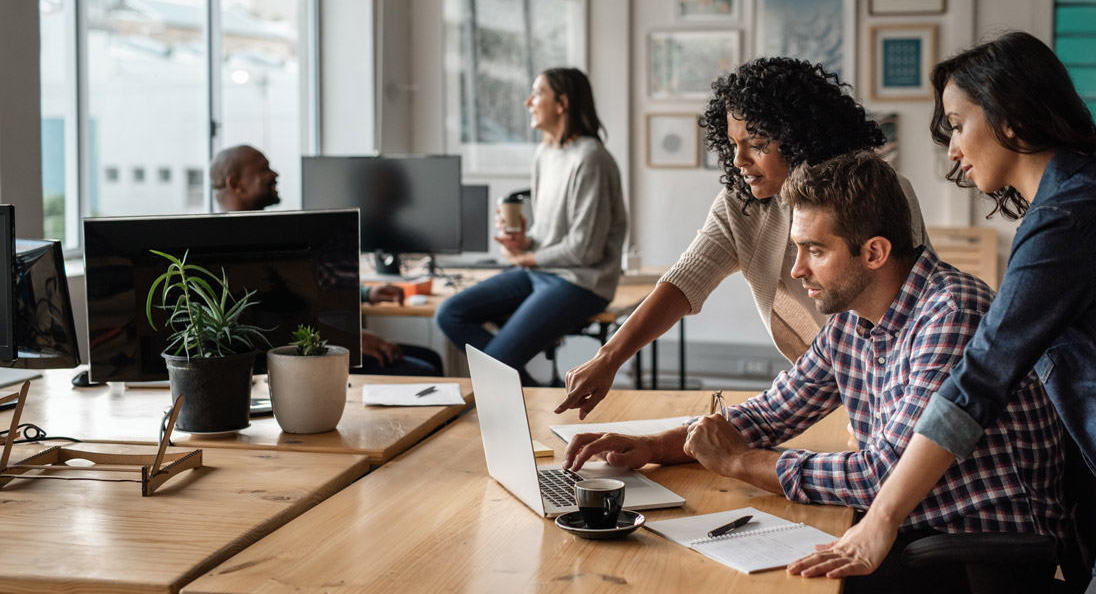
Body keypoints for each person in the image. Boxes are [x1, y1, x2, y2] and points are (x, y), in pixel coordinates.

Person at [790, 32, 1096, 593]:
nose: (953, 149)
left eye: (958, 124)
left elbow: (977, 381)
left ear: (1011, 116)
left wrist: (880, 522)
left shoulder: (1069, 222)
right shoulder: (1085, 203)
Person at [563, 151, 1065, 593]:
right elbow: (774, 412)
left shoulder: (951, 313)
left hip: (970, 550)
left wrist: (741, 464)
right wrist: (657, 446)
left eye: (815, 251)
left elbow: (879, 475)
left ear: (874, 253)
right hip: (910, 530)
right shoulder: (855, 316)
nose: (798, 269)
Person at [556, 57, 929, 419]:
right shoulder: (742, 204)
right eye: (733, 144)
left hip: (895, 380)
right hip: (820, 384)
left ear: (801, 136)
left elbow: (907, 309)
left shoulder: (876, 193)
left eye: (756, 143)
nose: (738, 159)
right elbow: (685, 281)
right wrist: (608, 359)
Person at [435, 68, 626, 386]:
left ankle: (518, 393)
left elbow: (585, 249)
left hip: (581, 282)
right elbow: (549, 235)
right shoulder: (545, 154)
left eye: (537, 93)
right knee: (449, 313)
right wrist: (524, 241)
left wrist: (526, 259)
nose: (528, 102)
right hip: (542, 273)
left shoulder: (591, 159)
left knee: (495, 364)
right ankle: (530, 393)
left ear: (562, 103)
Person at [210, 144, 441, 377]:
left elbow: (304, 293)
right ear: (235, 184)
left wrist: (366, 294)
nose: (274, 174)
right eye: (263, 169)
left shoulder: (262, 236)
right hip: (295, 360)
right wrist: (351, 342)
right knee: (425, 369)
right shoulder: (231, 250)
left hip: (317, 342)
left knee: (430, 358)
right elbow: (276, 327)